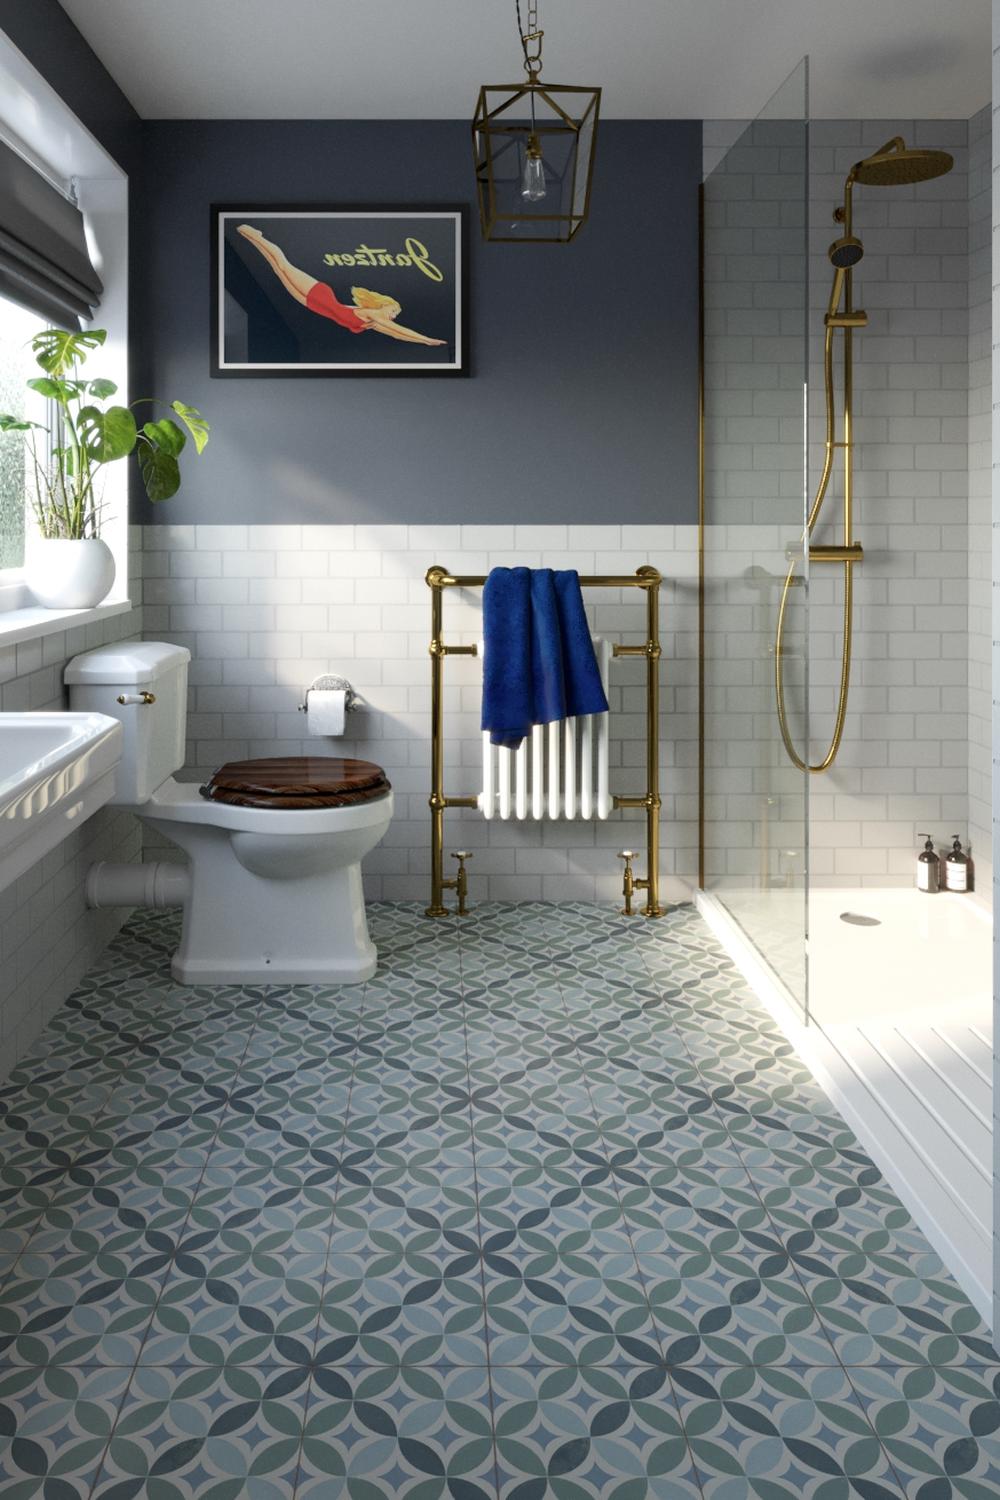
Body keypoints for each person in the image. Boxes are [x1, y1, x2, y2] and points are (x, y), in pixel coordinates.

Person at [236, 225, 447, 346]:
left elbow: (395, 334)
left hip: (312, 304)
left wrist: (424, 341)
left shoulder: (373, 321)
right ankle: (253, 235)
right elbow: (399, 330)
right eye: (393, 310)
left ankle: (251, 238)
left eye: (395, 314)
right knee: (283, 264)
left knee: (276, 268)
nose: (393, 315)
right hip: (320, 294)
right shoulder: (374, 314)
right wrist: (426, 340)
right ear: (384, 304)